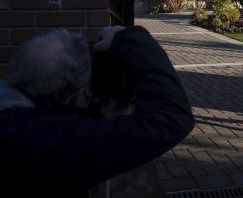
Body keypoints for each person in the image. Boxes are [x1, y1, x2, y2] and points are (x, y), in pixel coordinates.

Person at [0, 25, 194, 197]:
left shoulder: (10, 106)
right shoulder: (39, 140)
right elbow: (171, 119)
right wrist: (134, 39)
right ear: (80, 97)